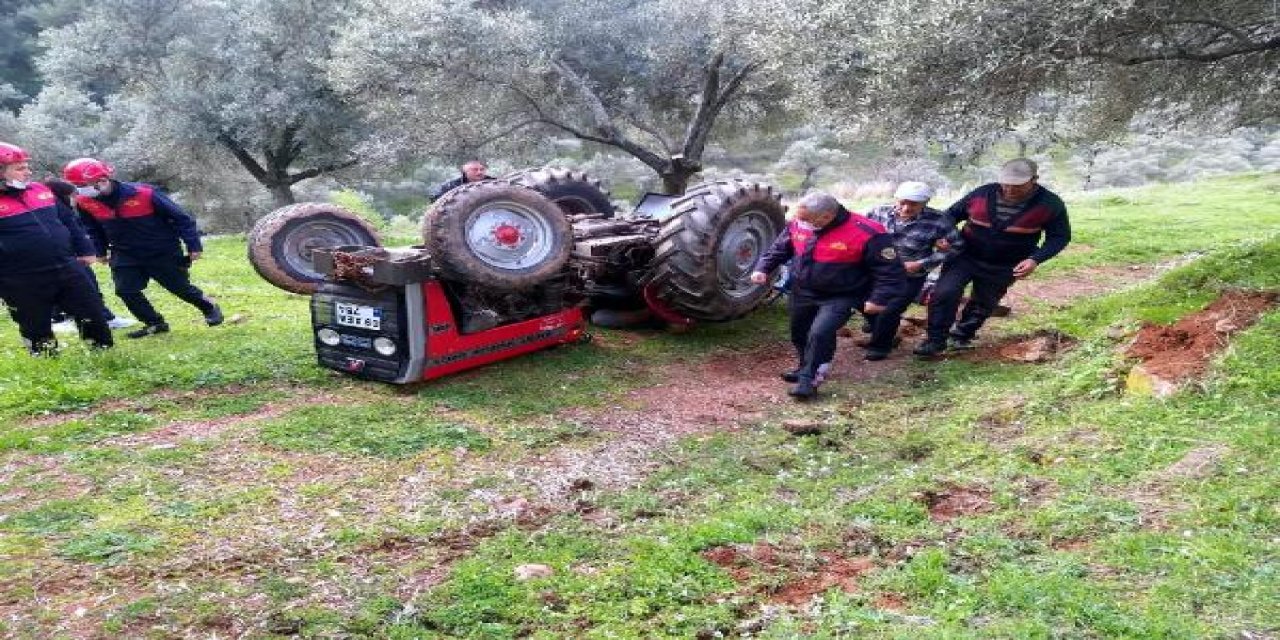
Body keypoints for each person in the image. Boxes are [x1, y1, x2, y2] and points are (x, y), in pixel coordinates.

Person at [751, 192, 906, 400]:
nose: (800, 223)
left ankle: (809, 380)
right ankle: (804, 366)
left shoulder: (868, 232)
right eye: (799, 218)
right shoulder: (799, 223)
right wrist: (763, 267)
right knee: (800, 332)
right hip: (802, 290)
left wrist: (879, 298)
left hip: (841, 294)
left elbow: (889, 270)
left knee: (820, 332)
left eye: (806, 220)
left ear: (827, 216)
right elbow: (780, 248)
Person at [914, 158, 1071, 357]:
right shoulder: (981, 194)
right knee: (944, 293)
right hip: (964, 255)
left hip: (1006, 263)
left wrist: (1035, 259)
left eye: (1018, 185)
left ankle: (962, 335)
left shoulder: (1050, 204)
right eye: (1006, 184)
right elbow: (950, 215)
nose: (1010, 189)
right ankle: (935, 340)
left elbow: (1060, 236)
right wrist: (942, 235)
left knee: (983, 302)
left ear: (1034, 180)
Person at [63, 157, 223, 339]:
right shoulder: (85, 202)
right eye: (76, 185)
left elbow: (182, 218)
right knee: (125, 290)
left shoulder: (144, 193)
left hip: (162, 250)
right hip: (124, 252)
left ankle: (209, 307)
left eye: (83, 185)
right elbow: (92, 228)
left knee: (179, 287)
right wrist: (100, 251)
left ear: (102, 180)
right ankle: (154, 323)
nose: (80, 190)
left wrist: (193, 245)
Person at [0, 142, 114, 354]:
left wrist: (86, 250)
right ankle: (46, 363)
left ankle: (103, 353)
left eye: (26, 166)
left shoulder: (41, 190)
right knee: (35, 325)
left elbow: (70, 221)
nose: (28, 172)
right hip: (19, 277)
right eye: (19, 168)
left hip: (66, 266)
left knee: (91, 311)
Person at [861, 181, 962, 360]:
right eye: (902, 202)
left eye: (913, 204)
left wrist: (922, 263)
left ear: (925, 203)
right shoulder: (877, 212)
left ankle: (880, 346)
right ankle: (880, 328)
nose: (906, 208)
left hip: (910, 274)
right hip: (876, 270)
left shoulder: (938, 220)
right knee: (861, 302)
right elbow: (858, 234)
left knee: (890, 309)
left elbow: (957, 246)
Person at [43, 179, 136, 333]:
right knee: (85, 287)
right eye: (73, 195)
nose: (76, 199)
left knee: (86, 286)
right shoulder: (54, 210)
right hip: (66, 256)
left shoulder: (62, 209)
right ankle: (96, 318)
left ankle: (101, 317)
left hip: (71, 255)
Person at [429, 160, 494, 202]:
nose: (479, 172)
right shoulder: (451, 186)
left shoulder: (494, 183)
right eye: (475, 170)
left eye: (482, 169)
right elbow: (435, 202)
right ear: (465, 172)